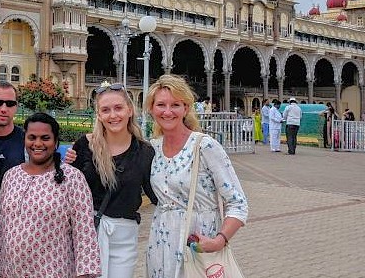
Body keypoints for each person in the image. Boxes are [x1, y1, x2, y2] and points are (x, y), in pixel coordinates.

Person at [144, 75, 248, 278]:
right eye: (161, 105)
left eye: (175, 105)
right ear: (151, 109)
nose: (167, 111)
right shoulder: (152, 148)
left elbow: (238, 203)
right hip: (161, 245)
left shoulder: (204, 146)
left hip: (199, 246)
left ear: (186, 108)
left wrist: (219, 240)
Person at [0, 112, 101, 278]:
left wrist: (85, 274)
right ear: (25, 140)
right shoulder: (11, 176)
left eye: (45, 138)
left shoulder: (72, 178)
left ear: (56, 142)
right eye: (32, 137)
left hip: (54, 272)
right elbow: (0, 226)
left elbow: (84, 233)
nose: (38, 143)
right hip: (10, 272)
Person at [72, 81, 157, 278]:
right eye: (106, 110)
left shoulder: (144, 152)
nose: (113, 115)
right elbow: (69, 190)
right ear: (99, 115)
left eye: (118, 108)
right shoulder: (85, 145)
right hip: (87, 233)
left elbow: (156, 194)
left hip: (124, 234)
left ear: (129, 110)